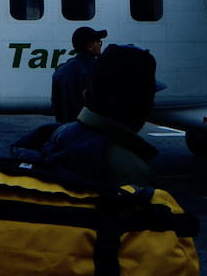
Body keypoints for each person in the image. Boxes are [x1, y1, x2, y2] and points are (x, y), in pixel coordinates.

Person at [42, 44, 165, 188]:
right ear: (148, 107)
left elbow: (56, 103)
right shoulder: (135, 174)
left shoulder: (54, 136)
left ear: (86, 98)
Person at [50, 27, 107, 123]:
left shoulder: (59, 72)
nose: (100, 46)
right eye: (99, 43)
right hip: (95, 131)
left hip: (69, 130)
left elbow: (56, 105)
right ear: (90, 46)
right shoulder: (103, 70)